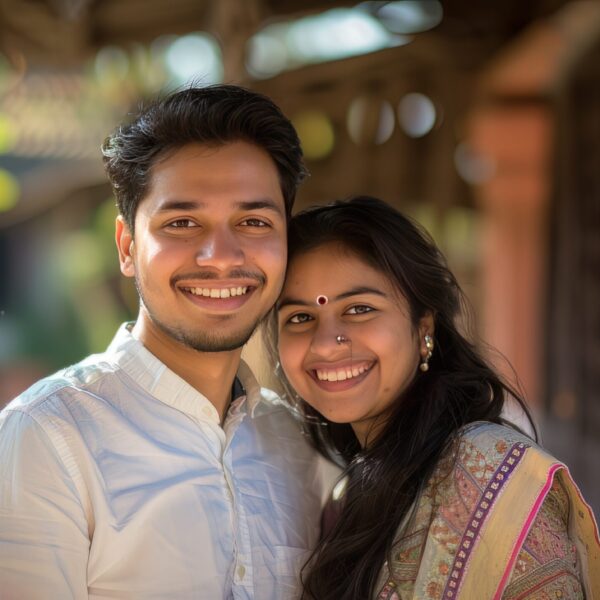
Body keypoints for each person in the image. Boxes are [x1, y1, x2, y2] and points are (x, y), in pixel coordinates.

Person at [0, 85, 333, 599]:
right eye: (182, 223)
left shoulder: (305, 447)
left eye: (253, 222)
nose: (221, 256)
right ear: (127, 247)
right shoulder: (47, 438)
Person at [268, 196, 600, 600]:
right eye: (300, 318)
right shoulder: (344, 495)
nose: (326, 344)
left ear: (424, 327)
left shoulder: (497, 483)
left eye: (359, 309)